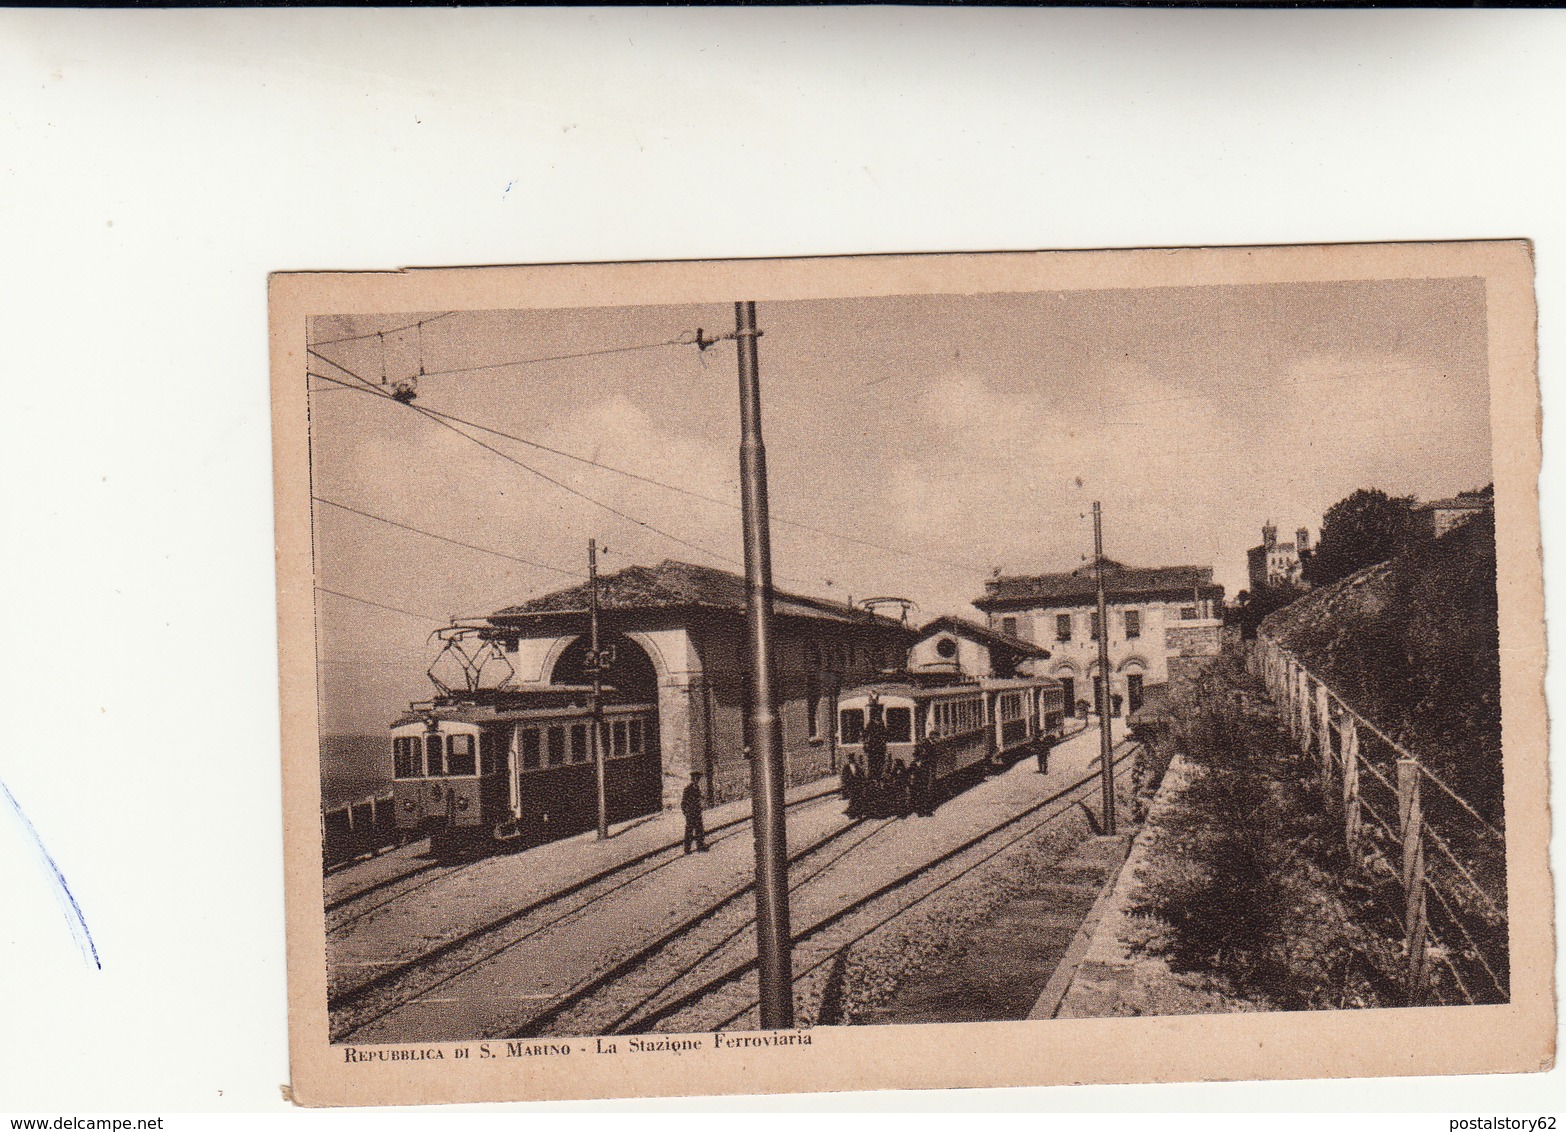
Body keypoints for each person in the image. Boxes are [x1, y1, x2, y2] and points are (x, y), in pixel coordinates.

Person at [682, 773, 708, 853]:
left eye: (698, 779)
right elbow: (683, 802)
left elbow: (698, 798)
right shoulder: (687, 789)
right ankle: (687, 849)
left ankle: (700, 846)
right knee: (689, 831)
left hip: (697, 812)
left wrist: (702, 799)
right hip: (690, 813)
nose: (697, 781)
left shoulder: (697, 788)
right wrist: (686, 812)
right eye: (696, 779)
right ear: (693, 779)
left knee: (699, 829)